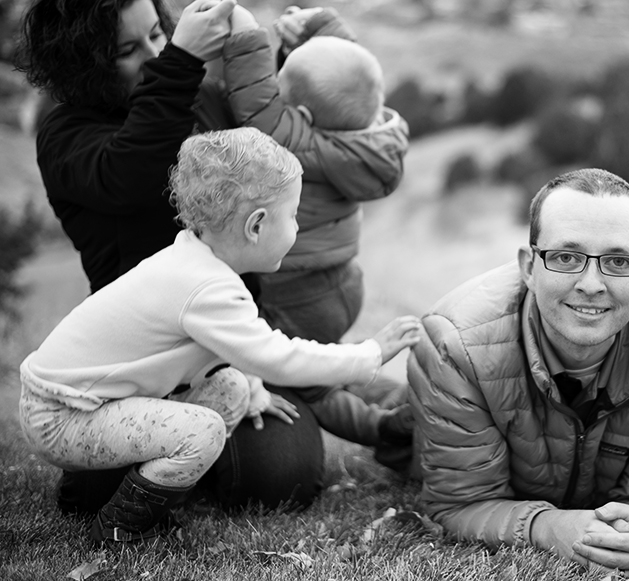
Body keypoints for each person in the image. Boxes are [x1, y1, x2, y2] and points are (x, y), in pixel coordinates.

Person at [13, 0, 402, 513]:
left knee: (280, 479)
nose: (155, 55)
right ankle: (152, 456)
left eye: (159, 34)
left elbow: (300, 121)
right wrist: (179, 62)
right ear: (85, 65)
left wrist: (303, 44)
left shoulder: (199, 96)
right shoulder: (67, 133)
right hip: (139, 369)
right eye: (130, 50)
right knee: (96, 494)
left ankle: (376, 415)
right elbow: (136, 172)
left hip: (231, 348)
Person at [18, 127, 422, 543]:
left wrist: (253, 390)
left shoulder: (194, 262)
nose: (297, 228)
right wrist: (370, 353)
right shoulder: (207, 287)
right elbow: (274, 356)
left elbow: (225, 353)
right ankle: (120, 526)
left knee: (231, 387)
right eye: (294, 215)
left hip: (85, 403)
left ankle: (159, 490)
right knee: (205, 430)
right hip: (62, 414)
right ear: (256, 225)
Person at [407, 168, 629, 575]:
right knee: (386, 425)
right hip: (428, 417)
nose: (592, 284)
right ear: (529, 266)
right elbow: (459, 503)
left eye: (619, 261)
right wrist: (545, 526)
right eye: (566, 257)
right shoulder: (455, 345)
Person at [221, 6, 413, 460]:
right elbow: (353, 75)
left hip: (296, 292)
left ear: (302, 113)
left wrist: (246, 38)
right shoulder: (379, 137)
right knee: (331, 355)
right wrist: (322, 28)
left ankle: (381, 428)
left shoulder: (299, 142)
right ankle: (404, 401)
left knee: (308, 381)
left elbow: (255, 104)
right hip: (343, 283)